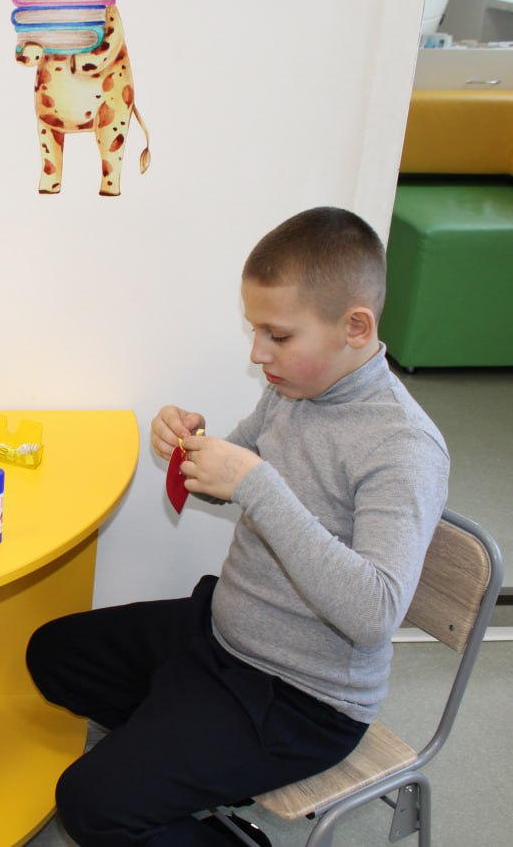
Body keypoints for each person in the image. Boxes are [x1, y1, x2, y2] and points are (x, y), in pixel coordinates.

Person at [26, 206, 449, 846]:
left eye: (277, 336)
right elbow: (229, 478)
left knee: (88, 807)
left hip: (302, 699)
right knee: (53, 654)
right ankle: (181, 743)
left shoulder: (403, 447)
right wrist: (189, 446)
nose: (258, 354)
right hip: (224, 632)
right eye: (255, 331)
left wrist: (255, 482)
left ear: (355, 327)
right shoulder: (293, 389)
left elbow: (375, 613)